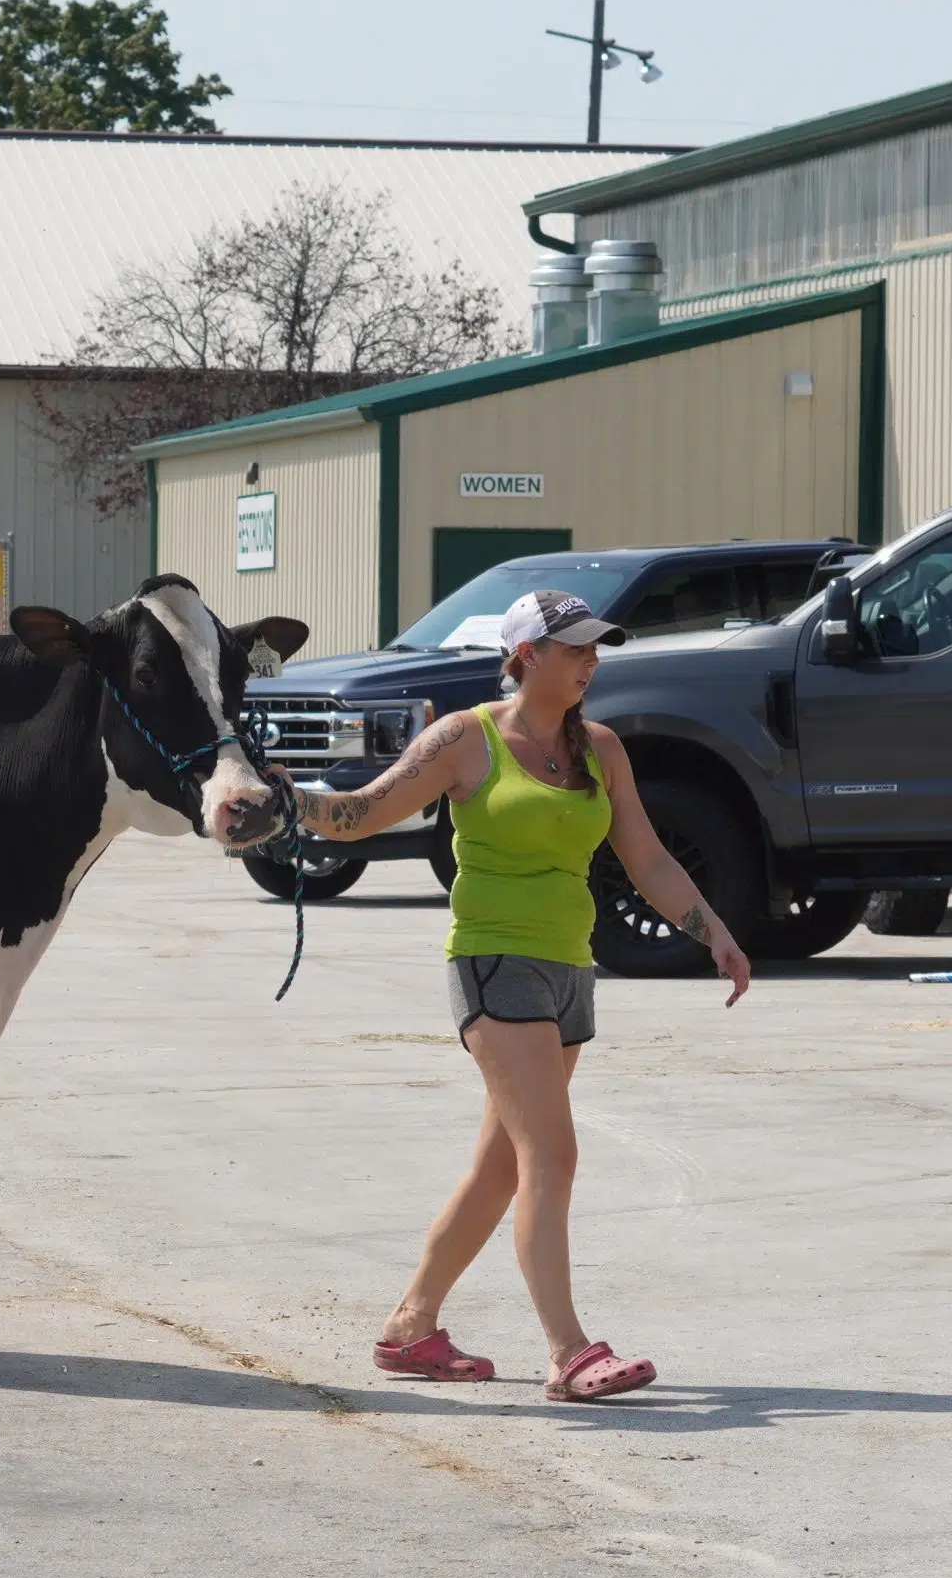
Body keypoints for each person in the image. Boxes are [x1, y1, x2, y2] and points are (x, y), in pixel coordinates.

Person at [275, 589, 751, 1401]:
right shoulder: (466, 738)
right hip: (495, 965)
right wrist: (288, 802)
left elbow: (647, 858)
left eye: (597, 649)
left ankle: (409, 1327)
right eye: (575, 650)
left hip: (570, 970)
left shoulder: (601, 749)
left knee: (500, 1167)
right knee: (551, 1154)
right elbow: (360, 814)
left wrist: (713, 930)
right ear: (528, 654)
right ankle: (570, 1351)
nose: (591, 663)